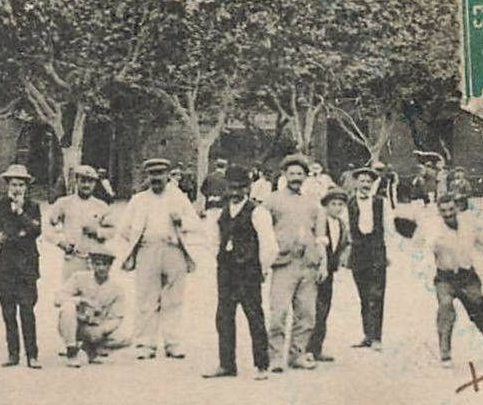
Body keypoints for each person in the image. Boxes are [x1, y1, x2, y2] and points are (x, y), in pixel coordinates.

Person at [402, 190, 483, 362]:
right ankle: (445, 352)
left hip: (467, 277)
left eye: (451, 209)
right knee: (445, 308)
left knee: (478, 309)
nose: (448, 214)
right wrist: (412, 228)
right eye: (443, 211)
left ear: (457, 208)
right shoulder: (434, 229)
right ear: (439, 212)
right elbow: (419, 244)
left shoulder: (470, 225)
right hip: (445, 278)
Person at [203, 167, 276, 381]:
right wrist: (221, 257)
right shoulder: (220, 212)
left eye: (239, 188)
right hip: (226, 270)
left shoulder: (258, 212)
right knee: (224, 317)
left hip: (249, 271)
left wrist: (263, 268)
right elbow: (213, 240)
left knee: (254, 315)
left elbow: (268, 244)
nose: (235, 193)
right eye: (231, 188)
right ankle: (226, 364)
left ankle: (262, 365)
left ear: (248, 188)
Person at [119, 157, 195, 360]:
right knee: (146, 298)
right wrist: (140, 239)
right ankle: (146, 343)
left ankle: (173, 343)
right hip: (147, 251)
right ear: (148, 176)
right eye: (152, 174)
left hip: (173, 250)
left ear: (167, 175)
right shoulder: (139, 200)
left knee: (174, 299)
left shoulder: (179, 198)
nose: (156, 178)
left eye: (160, 174)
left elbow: (195, 223)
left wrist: (182, 221)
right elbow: (124, 228)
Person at [265, 154, 328, 372]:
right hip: (283, 264)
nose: (295, 177)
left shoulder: (314, 203)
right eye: (291, 173)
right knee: (278, 314)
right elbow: (263, 233)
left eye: (300, 174)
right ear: (284, 175)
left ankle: (296, 355)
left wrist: (323, 263)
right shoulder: (272, 200)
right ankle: (274, 357)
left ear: (305, 176)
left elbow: (321, 237)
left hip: (308, 265)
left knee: (307, 315)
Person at [0, 164, 43, 369]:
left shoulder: (32, 207)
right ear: (7, 185)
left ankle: (32, 354)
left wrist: (19, 214)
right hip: (4, 266)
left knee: (27, 310)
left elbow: (36, 231)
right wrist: (18, 234)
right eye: (13, 184)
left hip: (26, 267)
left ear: (27, 186)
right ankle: (13, 354)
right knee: (8, 312)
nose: (17, 188)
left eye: (21, 184)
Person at [54, 240, 130, 367]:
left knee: (125, 338)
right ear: (91, 264)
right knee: (67, 308)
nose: (101, 268)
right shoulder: (79, 278)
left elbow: (117, 317)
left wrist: (102, 330)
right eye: (98, 264)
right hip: (76, 326)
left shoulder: (116, 289)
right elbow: (58, 298)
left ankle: (91, 349)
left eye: (105, 265)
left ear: (110, 267)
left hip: (96, 327)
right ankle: (72, 351)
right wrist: (80, 300)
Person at [346, 166, 392, 350]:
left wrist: (388, 253)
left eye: (368, 181)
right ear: (356, 182)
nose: (365, 184)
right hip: (358, 251)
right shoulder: (349, 203)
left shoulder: (381, 202)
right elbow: (345, 228)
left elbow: (388, 227)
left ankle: (376, 338)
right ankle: (368, 334)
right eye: (362, 180)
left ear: (372, 183)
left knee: (377, 294)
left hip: (376, 250)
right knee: (363, 295)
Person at [309, 186, 352, 363]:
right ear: (326, 206)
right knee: (311, 310)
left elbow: (347, 243)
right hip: (315, 271)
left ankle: (316, 348)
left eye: (340, 204)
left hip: (330, 272)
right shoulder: (319, 223)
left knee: (324, 309)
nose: (337, 207)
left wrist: (343, 257)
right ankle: (305, 349)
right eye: (333, 204)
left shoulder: (341, 224)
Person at [48, 164, 112, 279]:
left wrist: (97, 231)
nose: (86, 185)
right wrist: (60, 242)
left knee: (95, 294)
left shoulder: (101, 206)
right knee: (71, 293)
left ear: (95, 183)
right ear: (76, 181)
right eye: (83, 181)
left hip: (95, 260)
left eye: (90, 182)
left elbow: (114, 230)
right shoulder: (64, 203)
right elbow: (47, 225)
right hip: (73, 258)